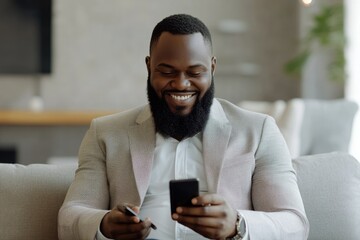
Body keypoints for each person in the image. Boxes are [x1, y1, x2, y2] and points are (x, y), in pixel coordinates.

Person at [58, 14, 309, 240]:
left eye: (194, 72)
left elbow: (295, 224)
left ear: (212, 68)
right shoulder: (105, 133)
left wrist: (238, 226)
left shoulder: (259, 131)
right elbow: (69, 217)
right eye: (167, 72)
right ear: (148, 67)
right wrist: (103, 225)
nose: (180, 84)